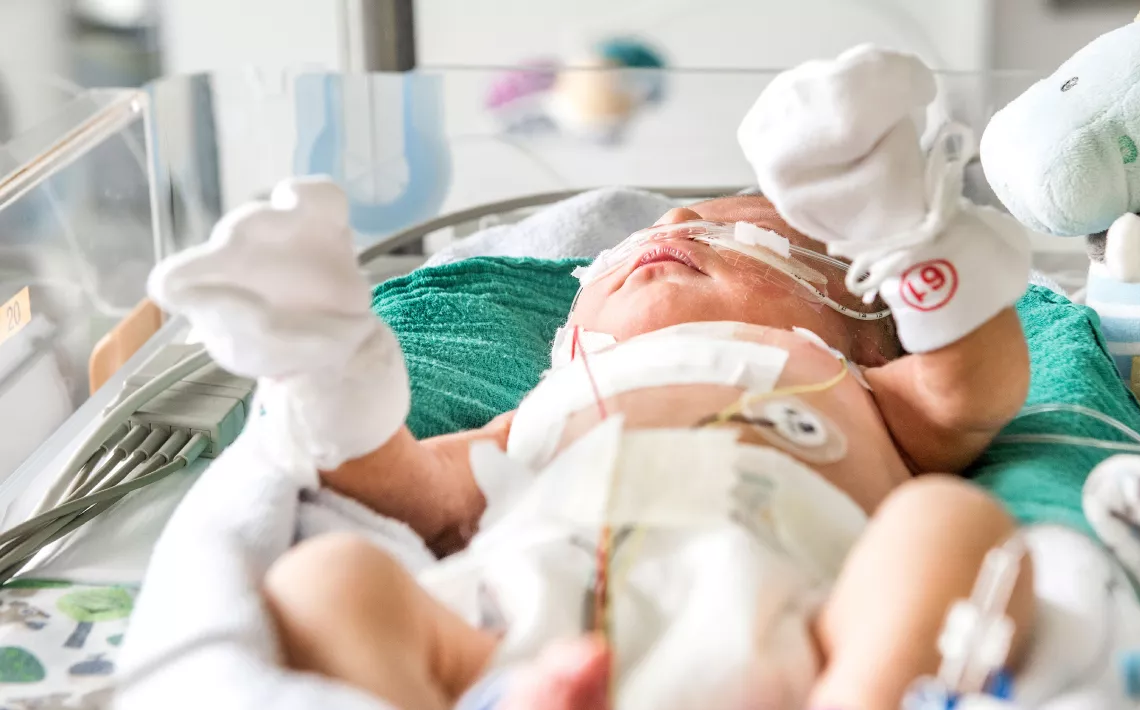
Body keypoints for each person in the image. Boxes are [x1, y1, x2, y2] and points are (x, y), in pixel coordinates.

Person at [149, 47, 1035, 710]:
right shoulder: (542, 410)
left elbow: (973, 387)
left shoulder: (853, 384)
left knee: (954, 528)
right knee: (330, 580)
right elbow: (406, 495)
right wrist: (329, 377)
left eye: (739, 237)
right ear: (568, 338)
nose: (671, 226)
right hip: (512, 626)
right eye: (609, 264)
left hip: (792, 617)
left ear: (865, 329)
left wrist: (904, 237)